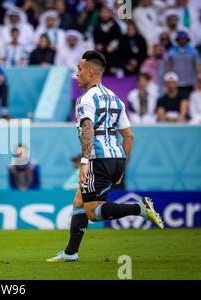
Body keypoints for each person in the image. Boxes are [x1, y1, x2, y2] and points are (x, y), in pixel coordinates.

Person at [47, 51, 163, 263]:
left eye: (80, 69)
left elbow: (88, 129)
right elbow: (128, 136)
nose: (76, 74)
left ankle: (140, 209)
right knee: (79, 200)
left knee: (92, 212)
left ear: (90, 72)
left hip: (97, 159)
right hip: (116, 158)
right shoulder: (116, 99)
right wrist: (121, 167)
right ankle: (71, 253)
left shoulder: (85, 100)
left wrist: (84, 163)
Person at [164, 30, 200, 99]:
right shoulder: (172, 51)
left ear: (187, 40)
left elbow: (197, 66)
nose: (182, 40)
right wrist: (166, 79)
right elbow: (167, 66)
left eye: (184, 39)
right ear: (177, 40)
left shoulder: (193, 51)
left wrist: (198, 80)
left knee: (190, 100)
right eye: (181, 39)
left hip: (190, 82)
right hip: (175, 82)